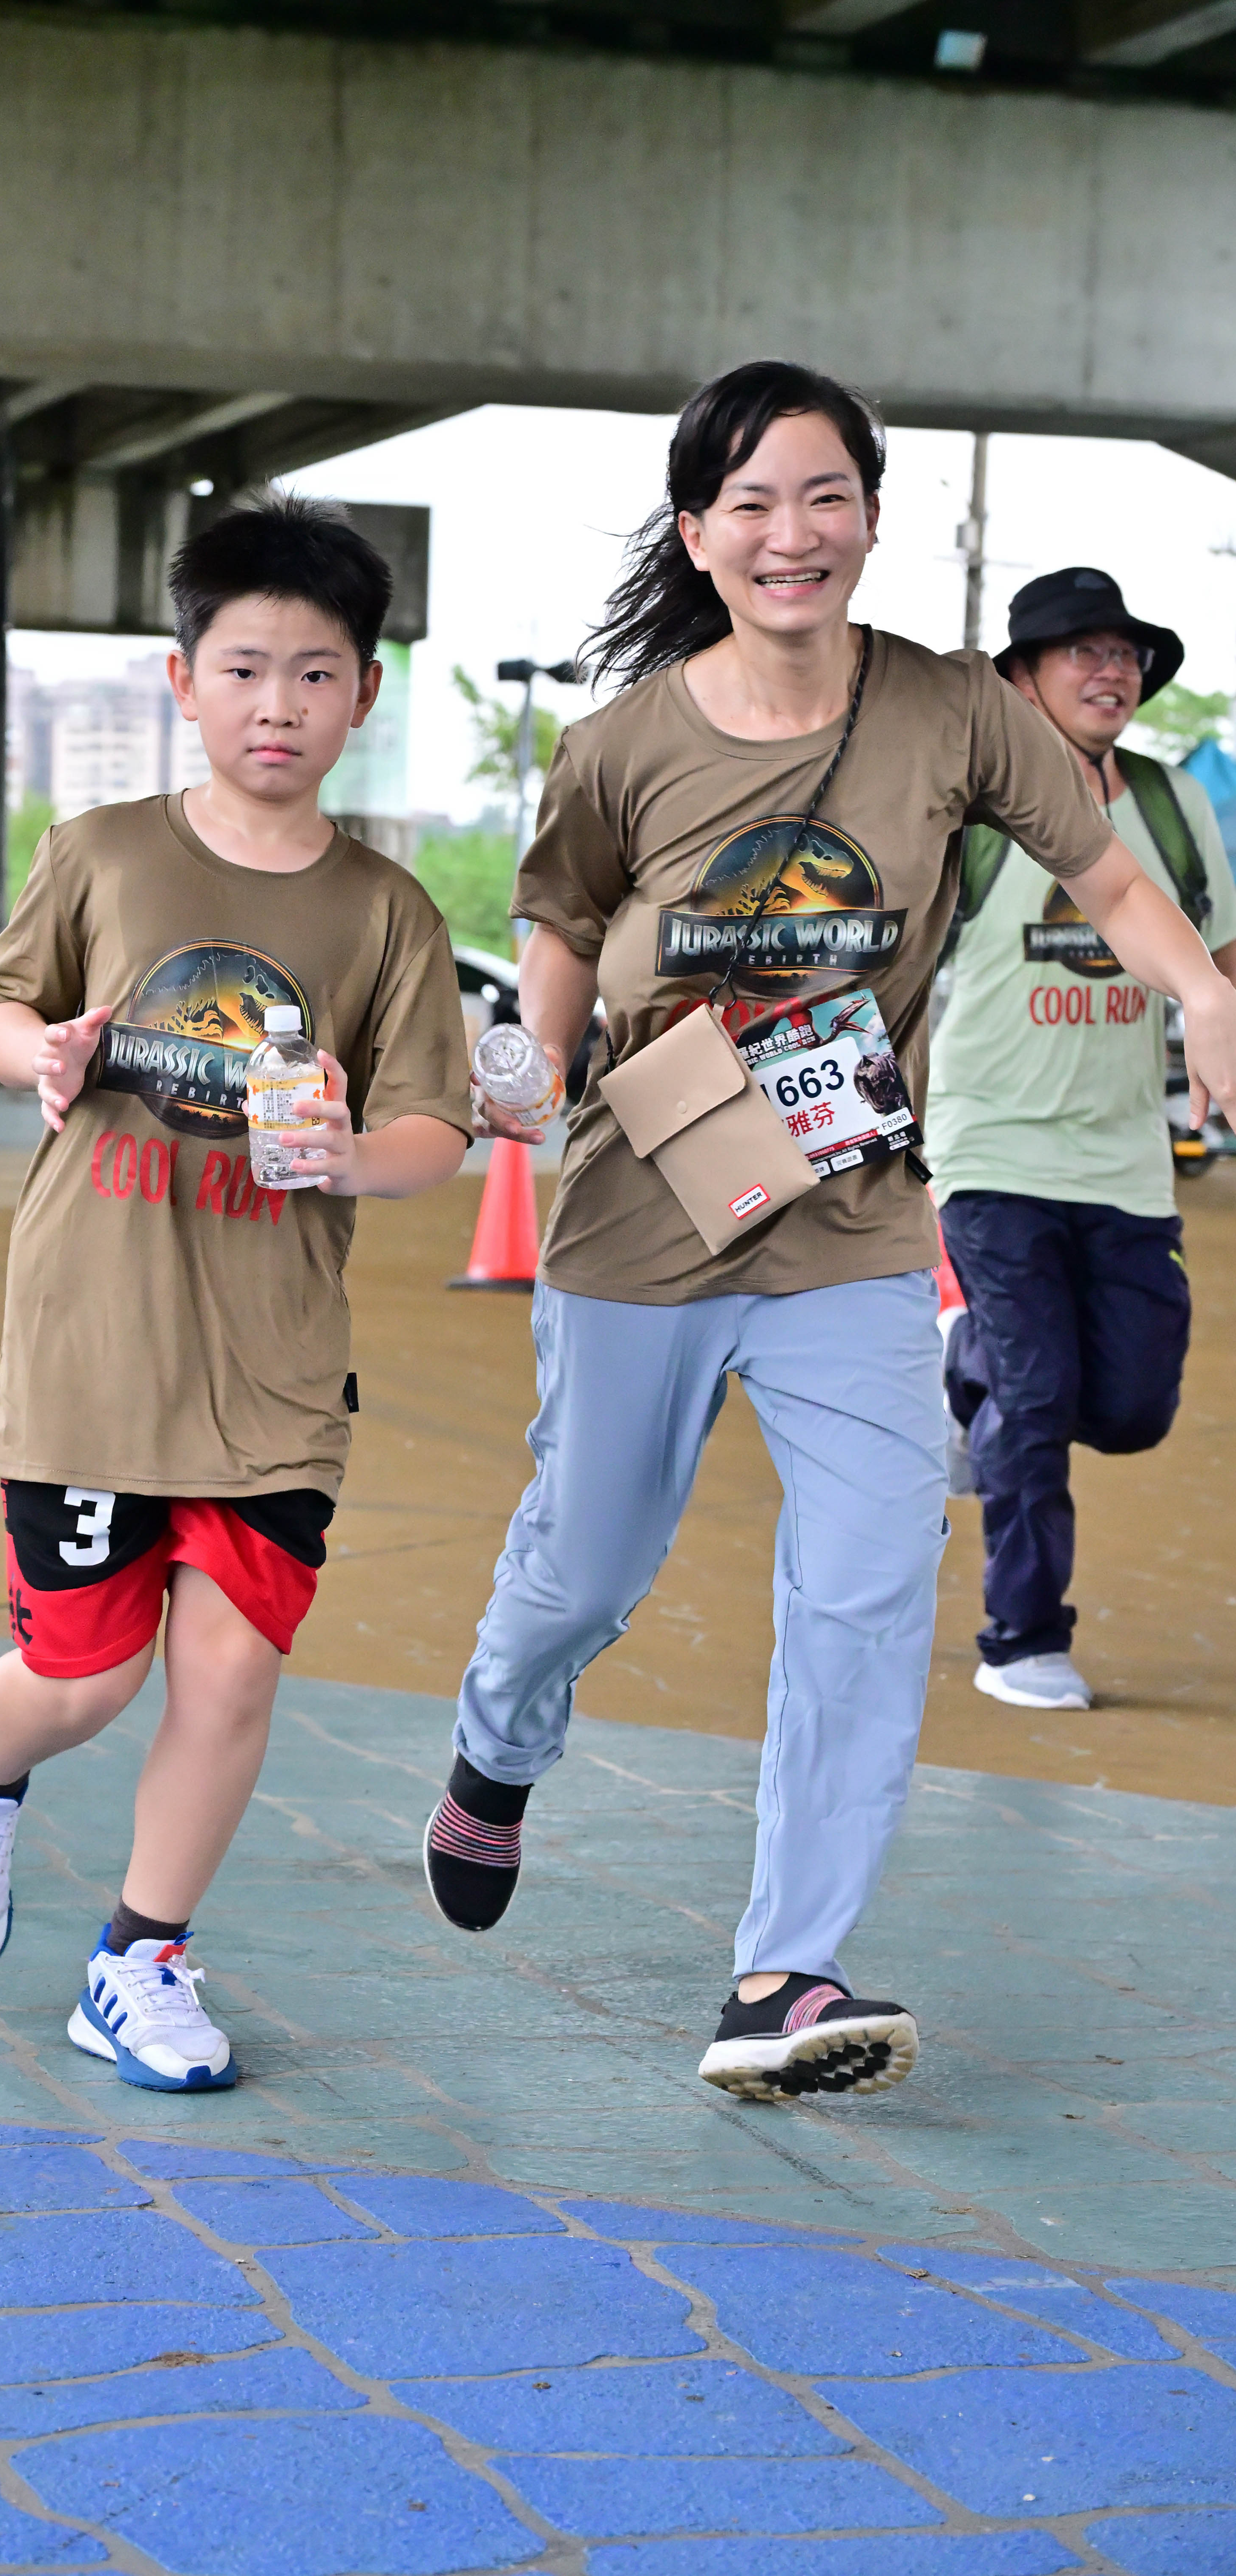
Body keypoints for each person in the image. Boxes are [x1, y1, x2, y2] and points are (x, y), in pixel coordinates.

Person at [421, 362, 1236, 2104]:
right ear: (698, 534)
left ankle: (784, 1974)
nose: (792, 533)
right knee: (587, 1569)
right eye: (752, 504)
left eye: (825, 497)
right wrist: (530, 1065)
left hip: (851, 1217)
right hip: (644, 1213)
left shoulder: (955, 712)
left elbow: (1105, 873)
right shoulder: (621, 745)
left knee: (868, 1577)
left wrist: (1204, 993)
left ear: (871, 514)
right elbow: (557, 929)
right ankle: (498, 1741)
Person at [0, 495, 471, 2090]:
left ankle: (139, 1954)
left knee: (228, 1668)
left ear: (364, 693)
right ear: (182, 680)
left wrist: (352, 1153)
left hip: (275, 1366)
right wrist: (42, 1051)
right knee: (86, 1678)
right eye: (244, 669)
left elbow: (434, 1128)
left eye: (316, 673)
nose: (278, 704)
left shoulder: (388, 910)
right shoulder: (103, 853)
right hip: (93, 1342)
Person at [928, 570, 1236, 1714]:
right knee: (1040, 1398)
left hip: (1126, 1161)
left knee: (1132, 1406)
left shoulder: (1170, 804)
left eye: (1125, 655)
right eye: (1082, 653)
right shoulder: (973, 812)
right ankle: (1022, 1637)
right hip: (991, 1147)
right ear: (1022, 679)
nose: (1112, 671)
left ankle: (964, 1364)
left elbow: (1219, 956)